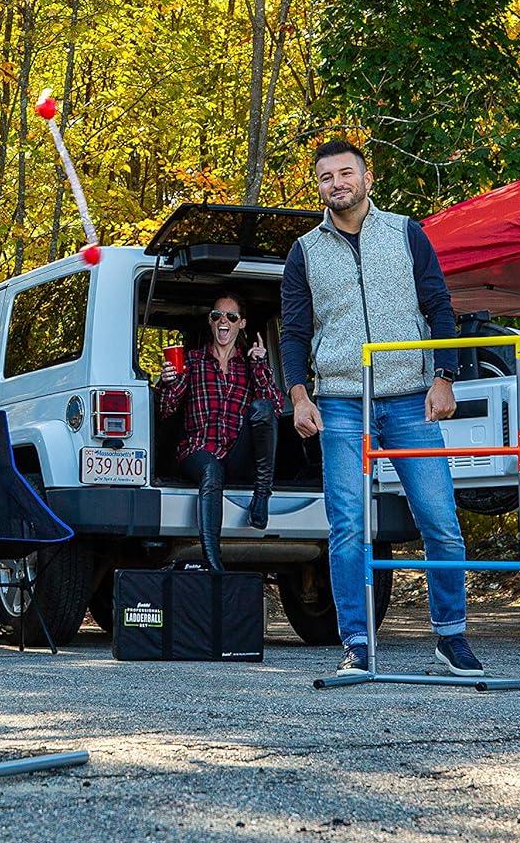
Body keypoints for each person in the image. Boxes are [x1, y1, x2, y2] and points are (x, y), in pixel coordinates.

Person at [280, 139, 484, 677]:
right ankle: (356, 643)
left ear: (367, 178)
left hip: (409, 397)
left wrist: (444, 378)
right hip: (341, 399)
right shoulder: (304, 250)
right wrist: (299, 395)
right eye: (326, 176)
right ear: (318, 186)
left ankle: (451, 637)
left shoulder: (405, 232)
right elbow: (295, 332)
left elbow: (439, 305)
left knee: (439, 518)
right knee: (347, 523)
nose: (336, 183)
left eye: (346, 173)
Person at [158, 293, 282, 572]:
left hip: (235, 454)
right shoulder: (192, 360)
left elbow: (274, 408)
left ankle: (262, 496)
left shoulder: (249, 365)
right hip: (197, 451)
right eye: (217, 316)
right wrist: (169, 381)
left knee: (261, 408)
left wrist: (260, 366)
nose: (223, 321)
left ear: (242, 324)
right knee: (211, 470)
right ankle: (214, 563)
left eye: (231, 317)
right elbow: (166, 410)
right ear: (210, 322)